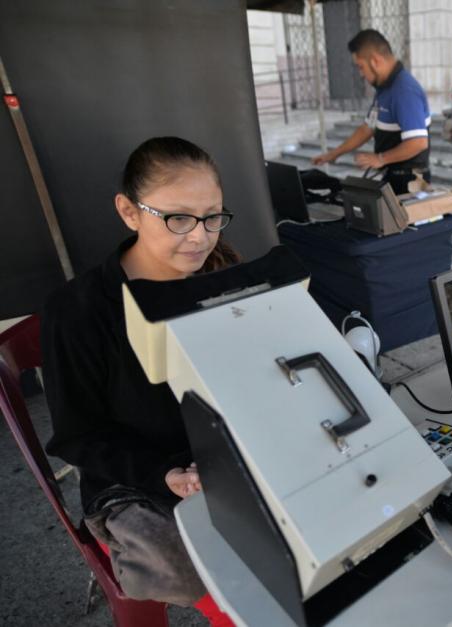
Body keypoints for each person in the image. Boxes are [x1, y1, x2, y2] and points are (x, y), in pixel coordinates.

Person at [43, 137, 240, 625]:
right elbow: (78, 436)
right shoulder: (80, 310)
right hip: (132, 476)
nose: (200, 236)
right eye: (177, 219)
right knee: (218, 569)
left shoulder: (220, 274)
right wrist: (162, 476)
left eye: (212, 216)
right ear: (129, 212)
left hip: (222, 450)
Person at [312, 29, 431, 195]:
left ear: (375, 61)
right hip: (392, 176)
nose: (361, 74)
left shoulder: (404, 91)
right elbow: (367, 128)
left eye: (361, 67)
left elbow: (418, 142)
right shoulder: (384, 88)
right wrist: (335, 153)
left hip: (410, 183)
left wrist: (380, 159)